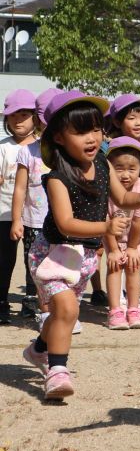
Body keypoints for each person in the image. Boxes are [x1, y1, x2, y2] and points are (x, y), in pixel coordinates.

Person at [21, 90, 140, 400]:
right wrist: (106, 227)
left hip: (83, 257)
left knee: (63, 313)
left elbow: (123, 198)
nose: (92, 137)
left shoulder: (103, 163)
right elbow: (65, 223)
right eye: (81, 130)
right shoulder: (58, 177)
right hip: (53, 255)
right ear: (59, 137)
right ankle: (57, 370)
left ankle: (39, 349)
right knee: (67, 309)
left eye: (97, 128)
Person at [10, 89, 74, 331]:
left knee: (66, 269)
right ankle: (46, 314)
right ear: (39, 120)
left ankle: (65, 312)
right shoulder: (28, 152)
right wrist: (17, 219)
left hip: (66, 224)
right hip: (34, 223)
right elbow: (19, 189)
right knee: (39, 272)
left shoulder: (71, 152)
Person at [104, 136, 140, 330]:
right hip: (112, 236)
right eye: (119, 168)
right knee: (115, 266)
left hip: (135, 237)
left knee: (133, 267)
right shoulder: (103, 188)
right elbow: (105, 221)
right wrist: (113, 249)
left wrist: (133, 248)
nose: (125, 175)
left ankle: (134, 308)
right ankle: (115, 310)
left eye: (131, 169)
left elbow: (138, 221)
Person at [0, 89, 38, 324]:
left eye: (24, 114)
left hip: (35, 214)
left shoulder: (42, 147)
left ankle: (31, 300)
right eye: (13, 115)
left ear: (35, 117)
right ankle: (2, 301)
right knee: (4, 259)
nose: (18, 120)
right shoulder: (3, 147)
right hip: (4, 212)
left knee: (34, 258)